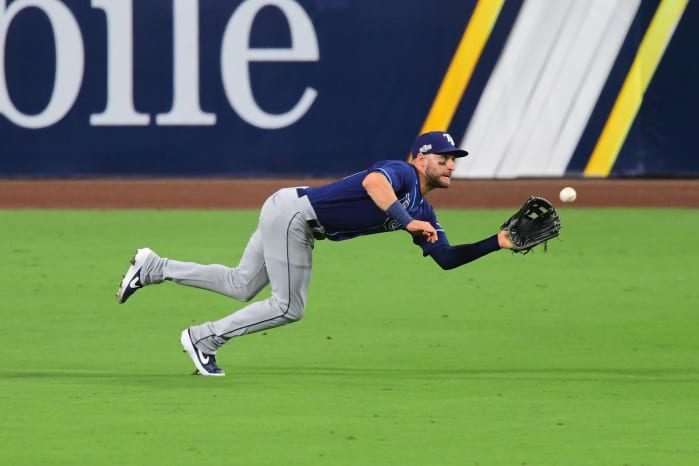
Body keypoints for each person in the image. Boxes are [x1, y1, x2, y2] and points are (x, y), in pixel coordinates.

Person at [116, 131, 514, 376]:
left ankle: (155, 267)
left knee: (241, 284)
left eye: (453, 161)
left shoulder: (424, 210)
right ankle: (204, 339)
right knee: (289, 306)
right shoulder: (403, 173)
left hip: (290, 212)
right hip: (295, 216)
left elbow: (445, 258)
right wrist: (405, 221)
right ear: (420, 158)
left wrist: (495, 242)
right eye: (442, 158)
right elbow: (376, 183)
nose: (450, 166)